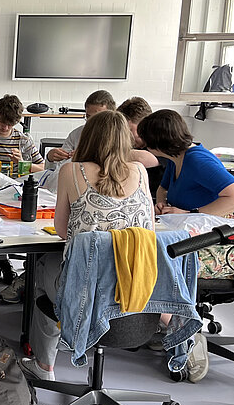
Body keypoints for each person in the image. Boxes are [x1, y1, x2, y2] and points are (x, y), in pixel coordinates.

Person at [19, 111, 156, 382]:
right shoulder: (140, 171)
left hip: (86, 290)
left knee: (41, 268)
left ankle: (45, 364)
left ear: (88, 137)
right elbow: (149, 227)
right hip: (134, 288)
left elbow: (62, 230)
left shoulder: (72, 170)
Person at [138, 109, 234, 285]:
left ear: (158, 143)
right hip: (193, 235)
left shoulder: (197, 161)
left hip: (215, 245)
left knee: (147, 263)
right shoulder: (176, 158)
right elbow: (162, 189)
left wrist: (191, 213)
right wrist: (161, 204)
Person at [47, 90, 116, 164]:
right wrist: (50, 158)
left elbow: (117, 164)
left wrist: (84, 158)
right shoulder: (76, 134)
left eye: (97, 118)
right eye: (88, 116)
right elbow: (59, 166)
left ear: (111, 116)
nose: (91, 122)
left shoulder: (119, 137)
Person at [117, 96, 164, 199]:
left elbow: (148, 159)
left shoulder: (160, 142)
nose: (126, 136)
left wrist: (107, 153)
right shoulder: (126, 145)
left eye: (129, 130)